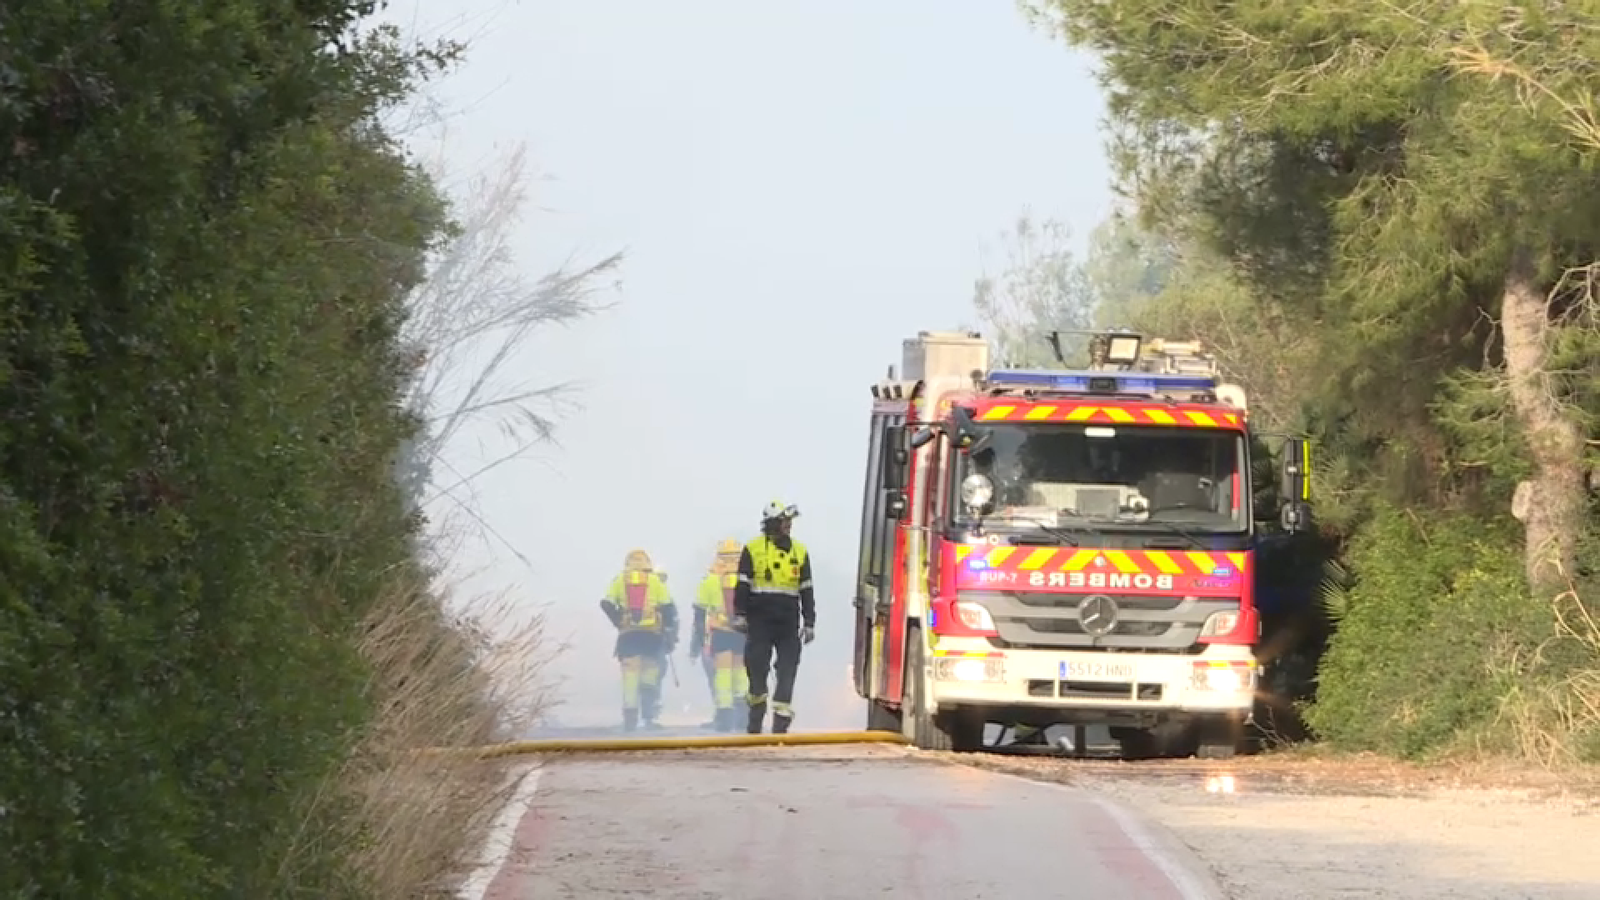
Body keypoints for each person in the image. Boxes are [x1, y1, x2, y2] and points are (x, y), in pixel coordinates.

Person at [732, 502, 815, 734]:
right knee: (756, 666)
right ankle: (756, 714)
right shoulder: (753, 549)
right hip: (760, 619)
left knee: (788, 667)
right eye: (784, 522)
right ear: (772, 523)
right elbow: (742, 585)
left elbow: (807, 589)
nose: (788, 526)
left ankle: (780, 720)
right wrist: (739, 614)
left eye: (789, 522)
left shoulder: (800, 551)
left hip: (788, 621)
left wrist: (809, 622)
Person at [600, 549, 678, 731]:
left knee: (630, 677)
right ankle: (648, 717)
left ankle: (630, 720)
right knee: (649, 676)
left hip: (628, 636)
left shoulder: (620, 580)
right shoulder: (655, 581)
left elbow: (606, 603)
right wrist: (667, 630)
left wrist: (618, 620)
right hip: (652, 636)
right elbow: (668, 607)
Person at [690, 538, 750, 732]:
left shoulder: (710, 580)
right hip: (742, 632)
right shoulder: (747, 578)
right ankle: (744, 718)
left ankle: (724, 718)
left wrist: (698, 639)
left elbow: (699, 612)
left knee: (722, 675)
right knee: (741, 673)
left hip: (720, 633)